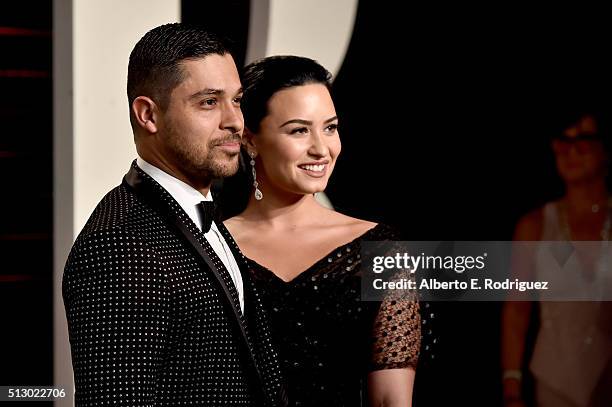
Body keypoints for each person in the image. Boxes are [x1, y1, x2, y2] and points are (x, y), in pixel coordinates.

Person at [62, 23, 286, 406]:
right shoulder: (120, 245)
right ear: (148, 115)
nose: (234, 121)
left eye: (236, 100)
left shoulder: (199, 213)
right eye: (209, 102)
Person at [221, 56, 420, 407]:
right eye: (299, 130)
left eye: (330, 127)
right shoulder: (211, 247)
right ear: (250, 140)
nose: (321, 148)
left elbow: (392, 399)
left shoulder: (380, 249)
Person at [501, 110, 612, 407]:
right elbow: (516, 311)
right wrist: (512, 386)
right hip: (554, 381)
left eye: (584, 140)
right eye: (563, 141)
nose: (571, 151)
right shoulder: (535, 224)